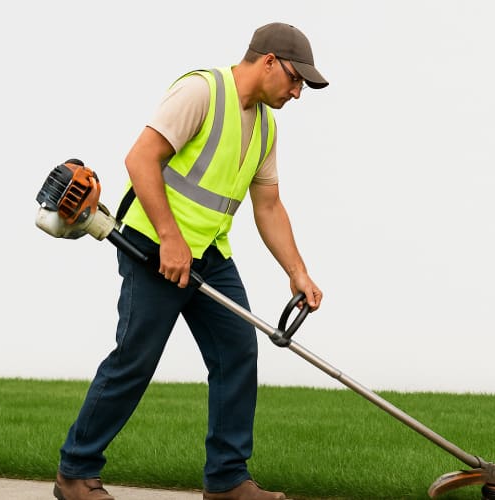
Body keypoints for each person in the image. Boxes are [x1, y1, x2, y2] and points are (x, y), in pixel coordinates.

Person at [53, 22, 328, 500]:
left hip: (210, 256)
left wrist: (297, 272)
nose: (298, 91)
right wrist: (170, 238)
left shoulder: (265, 127)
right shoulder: (201, 91)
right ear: (267, 61)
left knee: (237, 351)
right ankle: (75, 473)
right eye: (295, 78)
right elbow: (140, 159)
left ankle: (226, 480)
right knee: (134, 359)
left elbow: (268, 205)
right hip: (152, 248)